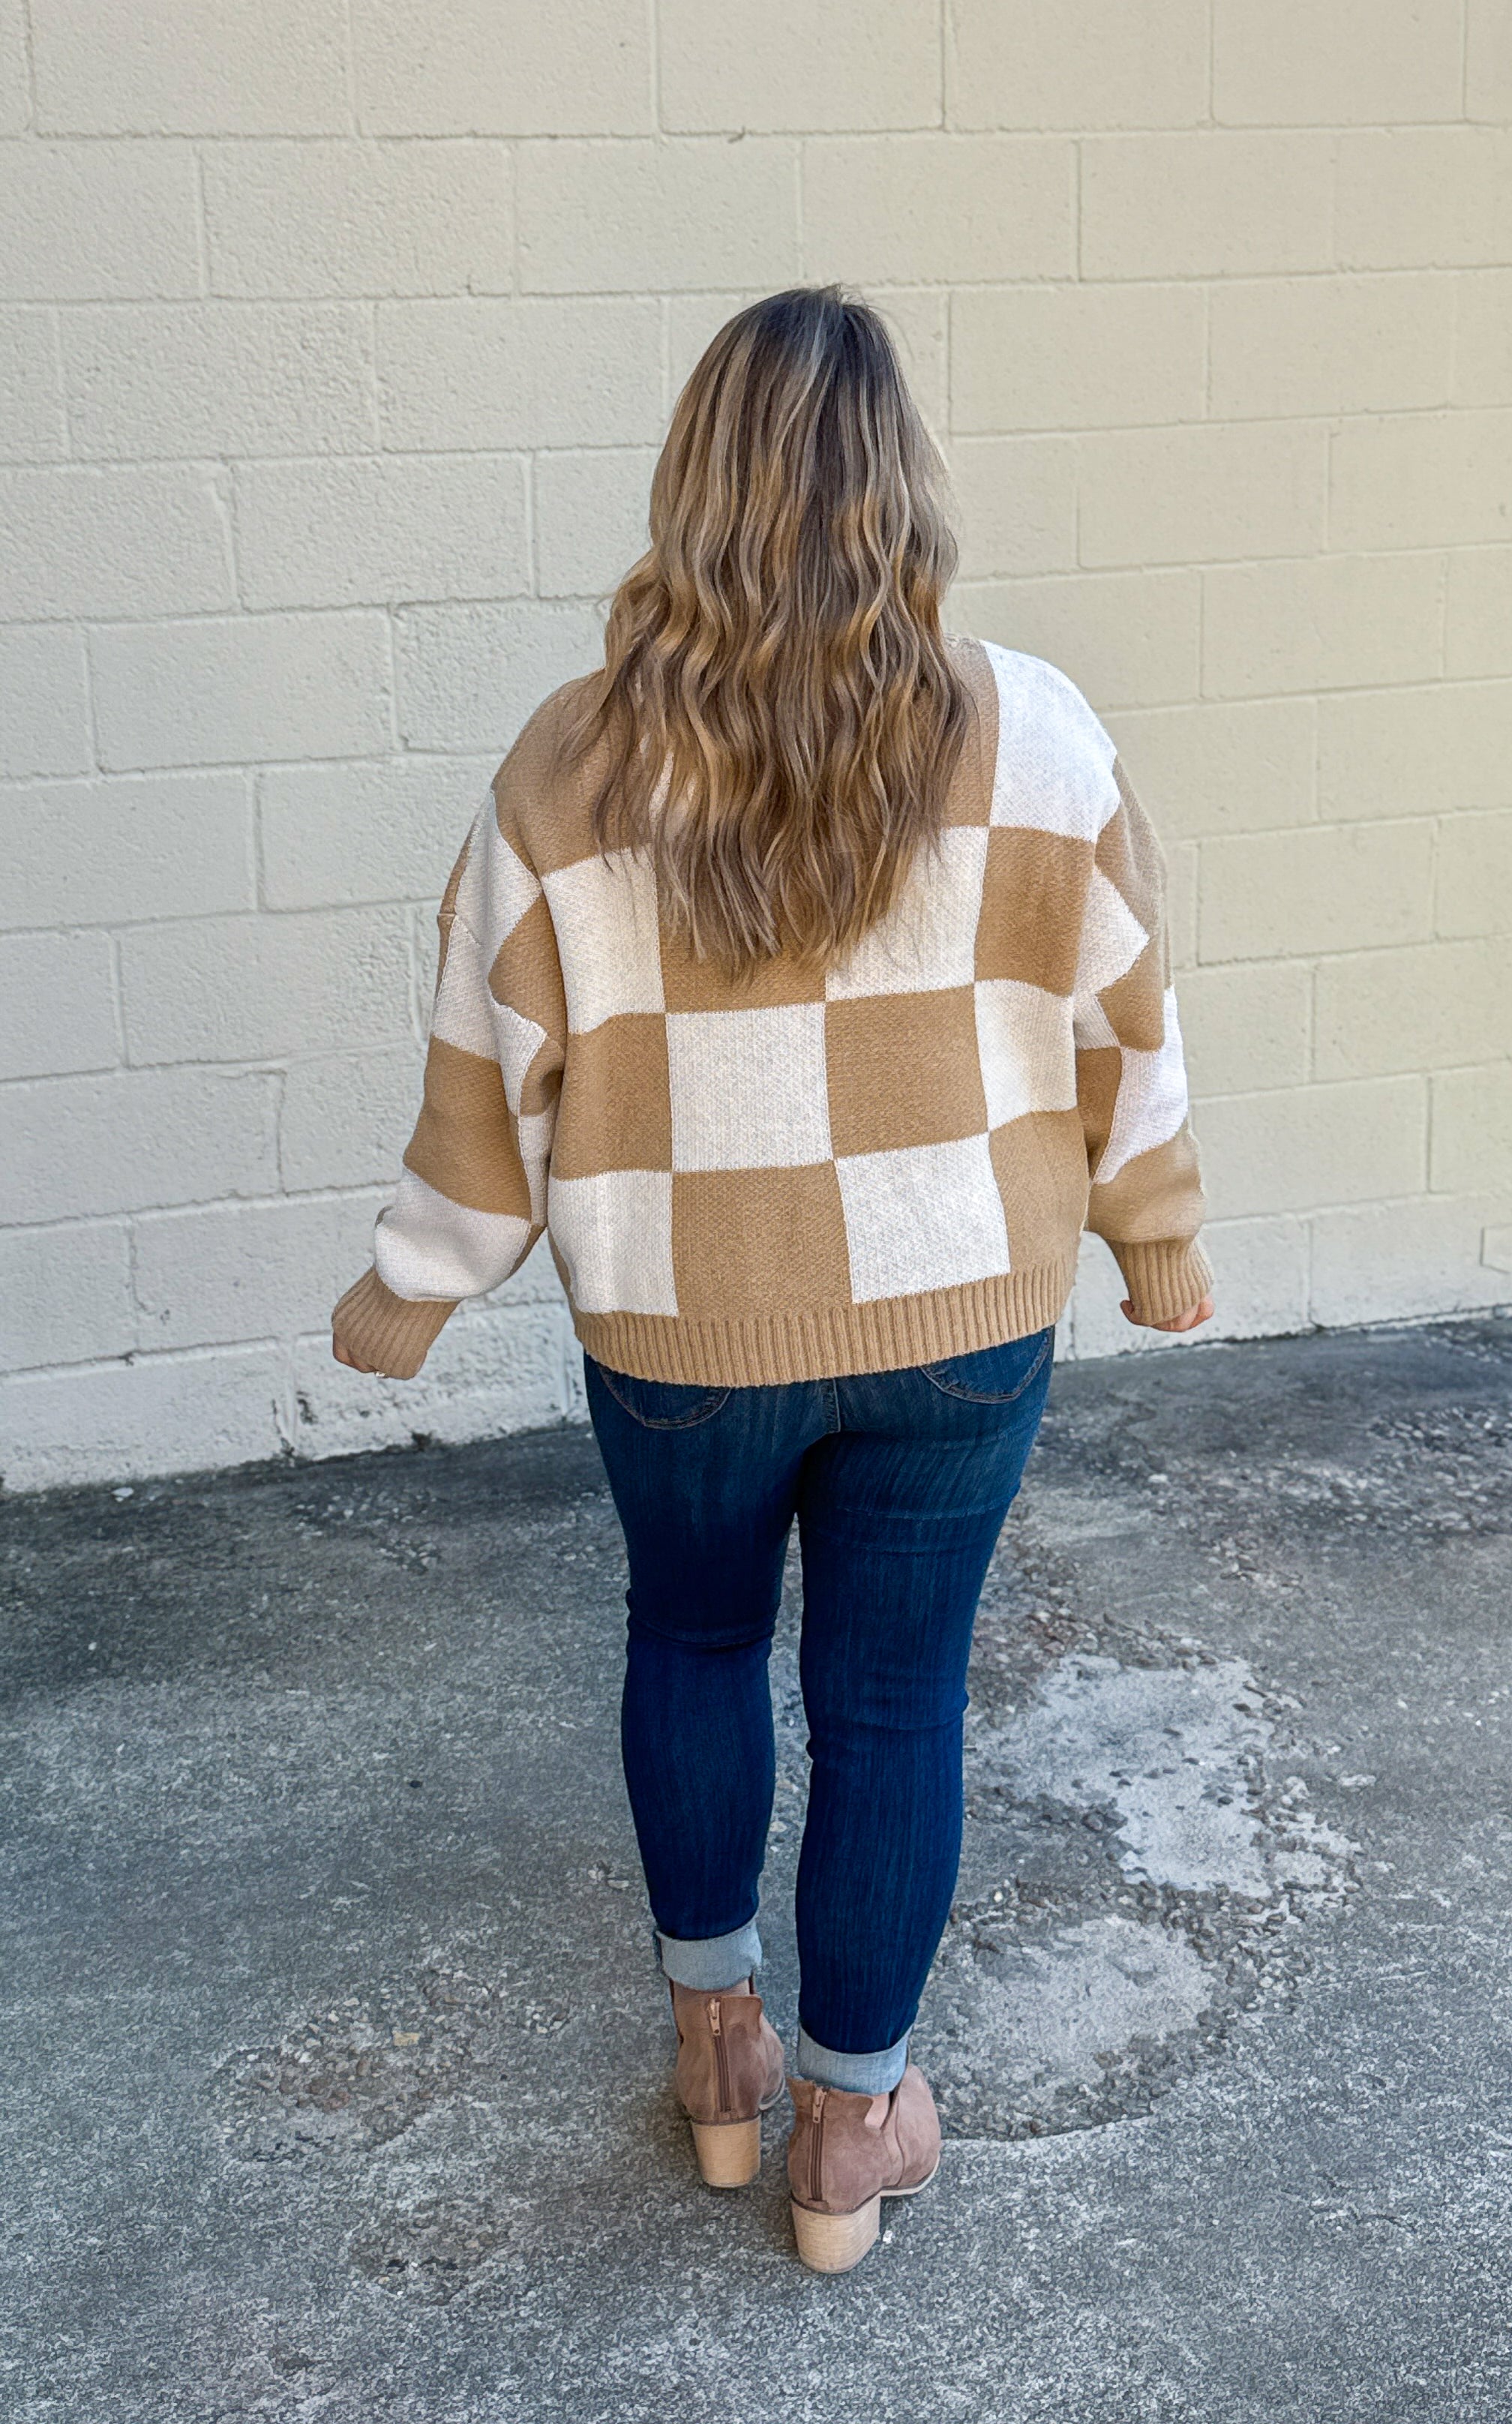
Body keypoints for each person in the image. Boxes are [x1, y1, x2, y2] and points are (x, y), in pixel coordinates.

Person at [331, 286, 1213, 2274]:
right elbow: (1126, 1025)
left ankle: (719, 2057)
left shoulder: (569, 765)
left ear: (691, 490)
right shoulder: (1034, 728)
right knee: (894, 1699)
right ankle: (850, 2130)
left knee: (696, 1643)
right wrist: (1155, 1240)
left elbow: (488, 1053)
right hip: (964, 1317)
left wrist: (419, 1277)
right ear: (904, 491)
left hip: (681, 1327)